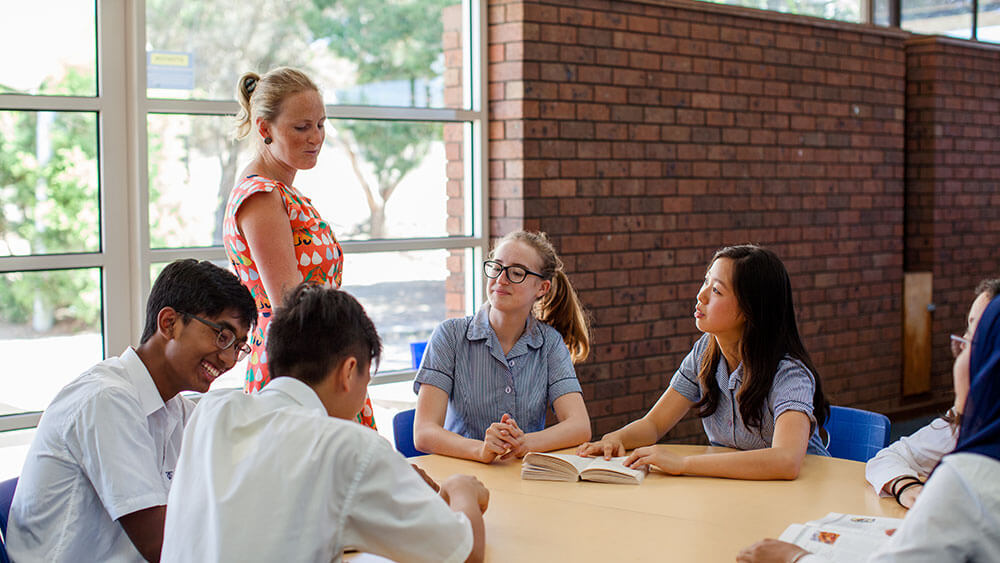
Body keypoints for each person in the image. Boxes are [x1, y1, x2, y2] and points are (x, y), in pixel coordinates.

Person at [161, 285, 489, 563]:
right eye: (366, 379)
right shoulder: (347, 446)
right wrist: (464, 490)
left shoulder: (211, 411)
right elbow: (464, 552)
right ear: (348, 372)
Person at [6, 260, 256, 563]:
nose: (229, 359)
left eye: (239, 346)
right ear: (169, 324)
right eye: (222, 336)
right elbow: (162, 546)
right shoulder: (106, 400)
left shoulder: (177, 411)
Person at [737, 294, 1000, 562]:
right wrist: (905, 485)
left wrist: (795, 558)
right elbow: (890, 456)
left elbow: (785, 460)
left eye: (971, 343)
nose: (957, 357)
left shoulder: (968, 480)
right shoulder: (958, 431)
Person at [578, 244, 830, 480]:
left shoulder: (789, 374)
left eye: (717, 290)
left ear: (750, 310)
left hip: (805, 498)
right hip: (743, 491)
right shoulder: (704, 354)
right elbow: (653, 424)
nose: (701, 295)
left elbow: (786, 460)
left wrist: (684, 464)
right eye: (706, 281)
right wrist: (615, 438)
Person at [222, 66, 376, 428]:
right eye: (301, 127)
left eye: (320, 124)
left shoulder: (282, 191)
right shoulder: (261, 196)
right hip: (301, 369)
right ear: (264, 129)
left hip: (321, 360)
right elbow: (289, 306)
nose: (316, 138)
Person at [413, 230, 591, 463]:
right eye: (496, 268)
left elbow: (580, 426)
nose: (501, 279)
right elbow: (424, 432)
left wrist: (524, 443)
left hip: (520, 478)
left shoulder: (550, 344)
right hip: (460, 479)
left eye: (516, 272)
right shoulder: (449, 336)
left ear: (542, 288)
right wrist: (480, 450)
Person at [866, 278, 999, 508]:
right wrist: (906, 485)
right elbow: (890, 456)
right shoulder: (962, 423)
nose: (962, 347)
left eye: (976, 333)